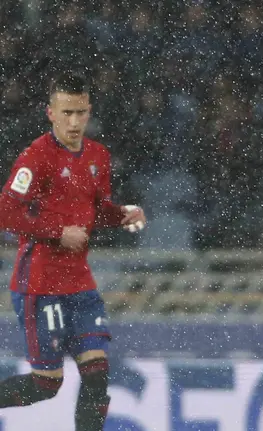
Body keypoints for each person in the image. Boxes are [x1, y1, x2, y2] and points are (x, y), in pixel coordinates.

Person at [0, 72, 146, 430]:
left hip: (80, 284)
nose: (75, 121)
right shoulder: (36, 157)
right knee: (46, 385)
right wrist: (56, 232)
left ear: (89, 110)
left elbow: (93, 209)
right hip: (40, 283)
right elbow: (6, 209)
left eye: (81, 112)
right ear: (50, 113)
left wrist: (122, 215)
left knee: (97, 376)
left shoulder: (98, 156)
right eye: (67, 113)